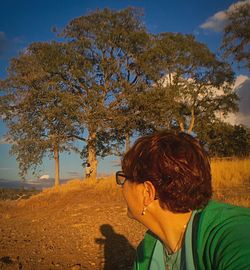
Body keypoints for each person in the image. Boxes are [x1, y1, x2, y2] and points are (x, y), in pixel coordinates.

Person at [116, 131, 250, 270]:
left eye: (124, 178)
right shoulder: (147, 251)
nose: (121, 187)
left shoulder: (231, 233)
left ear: (147, 192)